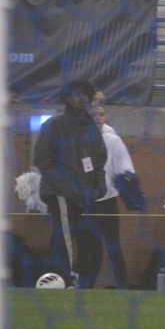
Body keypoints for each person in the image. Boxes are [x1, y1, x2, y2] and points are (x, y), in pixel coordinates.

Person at [33, 78, 108, 288]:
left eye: (86, 94)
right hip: (60, 194)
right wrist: (68, 188)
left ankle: (46, 280)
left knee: (76, 240)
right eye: (77, 94)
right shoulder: (54, 125)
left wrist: (99, 185)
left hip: (85, 196)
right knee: (66, 238)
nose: (83, 98)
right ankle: (66, 281)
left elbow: (100, 157)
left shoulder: (90, 127)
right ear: (67, 98)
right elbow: (42, 160)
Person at [82, 104, 137, 289]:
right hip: (86, 203)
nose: (98, 118)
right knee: (91, 248)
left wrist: (129, 190)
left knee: (114, 247)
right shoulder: (77, 140)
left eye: (102, 114)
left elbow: (125, 168)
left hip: (108, 202)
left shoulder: (113, 140)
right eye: (94, 114)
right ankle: (86, 288)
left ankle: (123, 287)